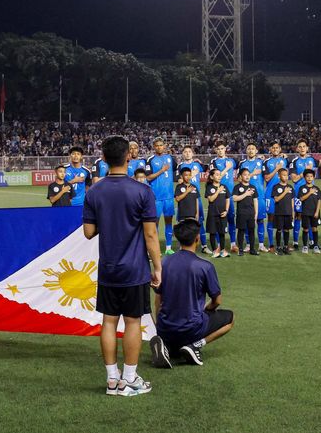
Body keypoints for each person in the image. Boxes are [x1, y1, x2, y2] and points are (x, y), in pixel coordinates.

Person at [82, 135, 162, 397]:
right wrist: (158, 267)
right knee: (132, 322)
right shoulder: (142, 191)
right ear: (129, 156)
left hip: (108, 268)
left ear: (103, 158)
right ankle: (129, 379)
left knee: (108, 322)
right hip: (135, 269)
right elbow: (151, 236)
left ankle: (112, 380)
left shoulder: (94, 191)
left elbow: (88, 232)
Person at [150, 219, 234, 368]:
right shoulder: (205, 266)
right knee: (230, 318)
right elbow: (217, 301)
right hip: (191, 328)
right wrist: (206, 310)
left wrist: (160, 327)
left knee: (173, 336)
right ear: (197, 239)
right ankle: (195, 345)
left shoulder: (164, 263)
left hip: (165, 327)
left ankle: (167, 345)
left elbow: (158, 299)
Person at [146, 137, 177, 255]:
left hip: (169, 196)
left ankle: (168, 247)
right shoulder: (150, 160)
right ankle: (156, 247)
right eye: (157, 145)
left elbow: (176, 171)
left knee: (169, 222)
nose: (159, 147)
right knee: (155, 223)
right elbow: (148, 177)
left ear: (164, 146)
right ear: (154, 147)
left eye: (161, 145)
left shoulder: (170, 158)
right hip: (156, 197)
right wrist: (162, 170)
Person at [177, 146, 210, 254]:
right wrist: (192, 175)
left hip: (196, 197)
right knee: (183, 222)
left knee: (199, 222)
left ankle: (204, 246)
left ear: (193, 153)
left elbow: (206, 168)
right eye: (185, 152)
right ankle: (183, 246)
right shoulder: (180, 166)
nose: (187, 153)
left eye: (189, 151)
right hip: (184, 199)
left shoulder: (197, 165)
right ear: (182, 154)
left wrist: (200, 162)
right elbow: (180, 180)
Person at [238, 143, 267, 252]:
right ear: (246, 151)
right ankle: (248, 244)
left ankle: (260, 244)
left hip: (259, 196)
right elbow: (240, 179)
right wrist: (251, 174)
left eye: (253, 149)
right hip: (246, 196)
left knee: (260, 220)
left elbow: (267, 174)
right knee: (246, 222)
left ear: (256, 151)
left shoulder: (261, 162)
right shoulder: (242, 163)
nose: (251, 150)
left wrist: (283, 155)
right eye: (249, 149)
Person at [209, 141, 238, 252]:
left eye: (222, 148)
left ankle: (233, 244)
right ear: (216, 150)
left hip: (229, 195)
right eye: (218, 149)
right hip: (218, 195)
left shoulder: (231, 161)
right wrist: (227, 168)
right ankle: (219, 246)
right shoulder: (214, 161)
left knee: (231, 219)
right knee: (218, 221)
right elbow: (216, 176)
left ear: (225, 149)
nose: (220, 150)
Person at [289, 140, 317, 250]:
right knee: (298, 216)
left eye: (304, 146)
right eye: (299, 146)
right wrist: (305, 171)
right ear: (297, 149)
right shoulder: (294, 161)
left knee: (310, 216)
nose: (302, 148)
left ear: (307, 148)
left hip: (312, 193)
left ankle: (311, 241)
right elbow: (295, 179)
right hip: (299, 193)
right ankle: (295, 242)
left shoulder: (312, 159)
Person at [264, 142, 289, 253]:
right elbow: (267, 178)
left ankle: (284, 245)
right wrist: (277, 169)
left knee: (284, 219)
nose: (275, 149)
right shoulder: (266, 162)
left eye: (277, 148)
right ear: (270, 149)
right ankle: (271, 244)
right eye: (273, 147)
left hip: (284, 193)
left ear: (280, 149)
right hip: (270, 194)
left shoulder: (285, 160)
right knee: (271, 218)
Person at [296, 169, 321, 254]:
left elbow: (319, 200)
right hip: (305, 212)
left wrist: (317, 212)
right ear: (304, 178)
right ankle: (305, 246)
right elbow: (301, 198)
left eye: (311, 176)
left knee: (314, 228)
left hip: (314, 212)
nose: (309, 178)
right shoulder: (302, 188)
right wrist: (310, 192)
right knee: (305, 229)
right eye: (307, 176)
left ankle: (315, 246)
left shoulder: (316, 188)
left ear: (314, 177)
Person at [232, 168, 259, 256]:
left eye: (248, 174)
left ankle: (252, 249)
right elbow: (234, 198)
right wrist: (245, 194)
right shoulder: (237, 187)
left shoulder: (253, 187)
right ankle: (240, 249)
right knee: (241, 231)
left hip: (251, 213)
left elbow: (255, 201)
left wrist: (256, 213)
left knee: (251, 231)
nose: (247, 176)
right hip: (241, 213)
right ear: (240, 176)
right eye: (245, 175)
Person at [205, 168, 230, 258]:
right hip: (212, 213)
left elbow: (227, 199)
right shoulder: (209, 187)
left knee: (222, 233)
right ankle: (215, 250)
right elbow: (211, 199)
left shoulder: (224, 186)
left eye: (220, 174)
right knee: (213, 232)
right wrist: (218, 191)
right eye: (216, 174)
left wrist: (226, 211)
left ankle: (222, 250)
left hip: (223, 213)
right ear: (211, 177)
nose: (219, 176)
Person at [271, 168, 294, 256]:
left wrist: (292, 212)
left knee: (287, 230)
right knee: (279, 229)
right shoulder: (276, 187)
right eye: (283, 175)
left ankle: (285, 246)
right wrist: (285, 192)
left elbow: (292, 201)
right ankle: (278, 247)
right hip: (279, 212)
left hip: (288, 212)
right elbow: (276, 199)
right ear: (279, 176)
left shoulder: (290, 187)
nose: (285, 177)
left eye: (286, 175)